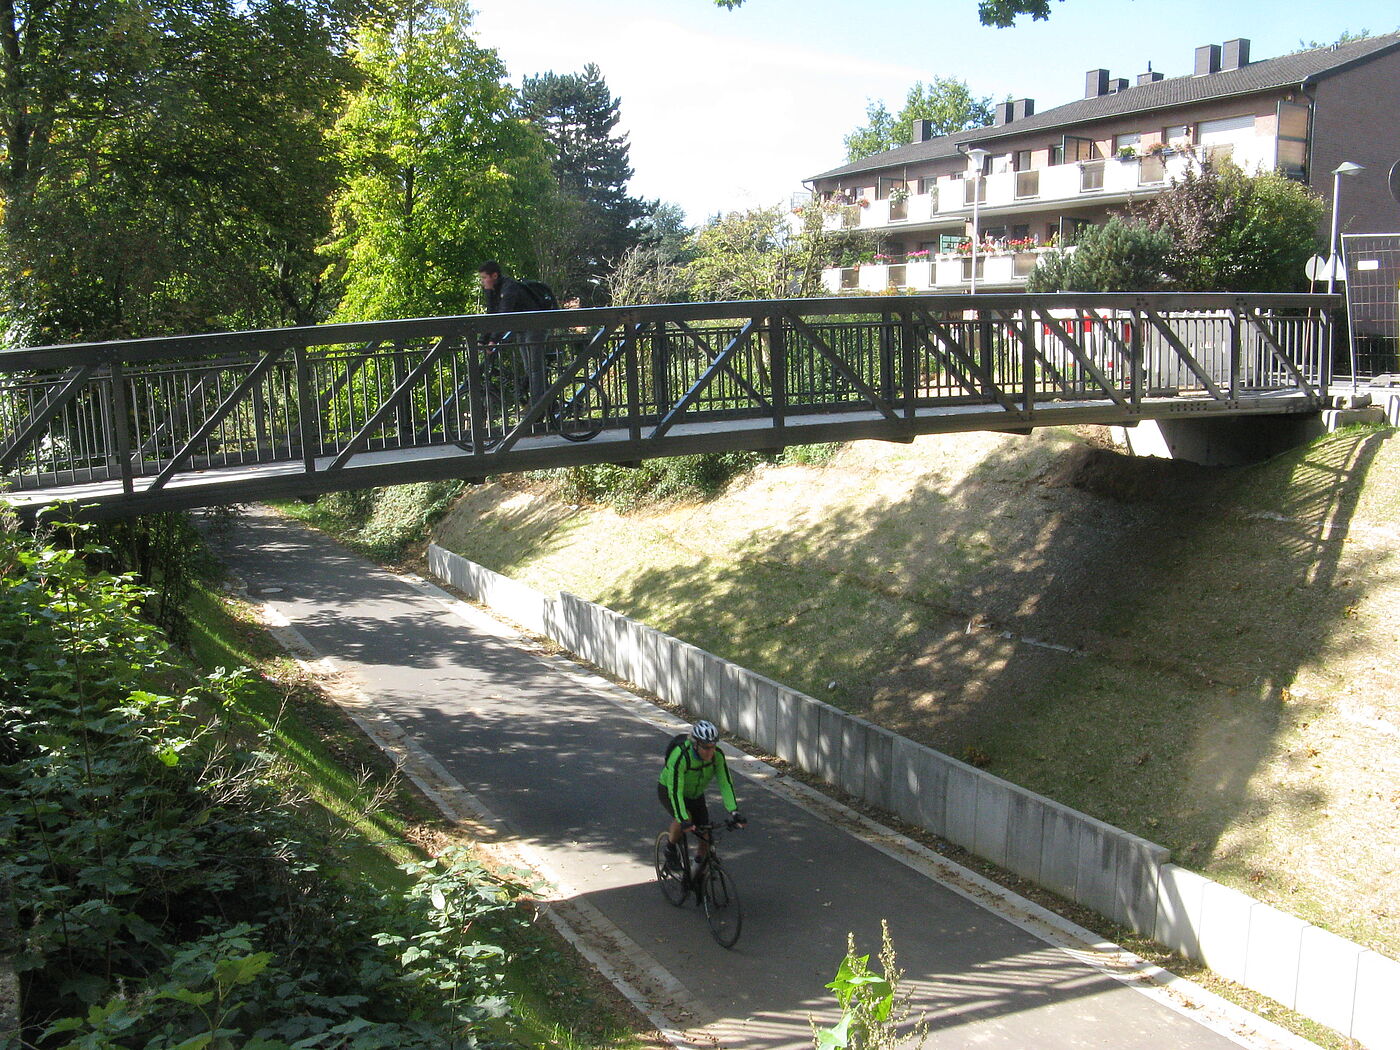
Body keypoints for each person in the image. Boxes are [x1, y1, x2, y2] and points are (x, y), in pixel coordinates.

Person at [658, 720, 745, 874]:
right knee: (686, 817)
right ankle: (670, 849)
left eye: (713, 746)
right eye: (705, 747)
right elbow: (675, 790)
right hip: (669, 790)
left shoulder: (717, 756)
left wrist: (734, 811)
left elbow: (725, 783)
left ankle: (695, 872)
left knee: (705, 835)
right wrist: (683, 819)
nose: (710, 752)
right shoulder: (681, 757)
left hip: (695, 794)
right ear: (695, 744)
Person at [477, 260, 548, 413]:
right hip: (522, 328)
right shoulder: (494, 290)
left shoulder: (509, 288)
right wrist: (482, 340)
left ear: (494, 276)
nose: (482, 282)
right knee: (528, 367)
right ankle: (540, 401)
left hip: (536, 325)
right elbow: (491, 315)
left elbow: (504, 316)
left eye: (484, 278)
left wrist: (493, 340)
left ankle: (538, 407)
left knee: (534, 367)